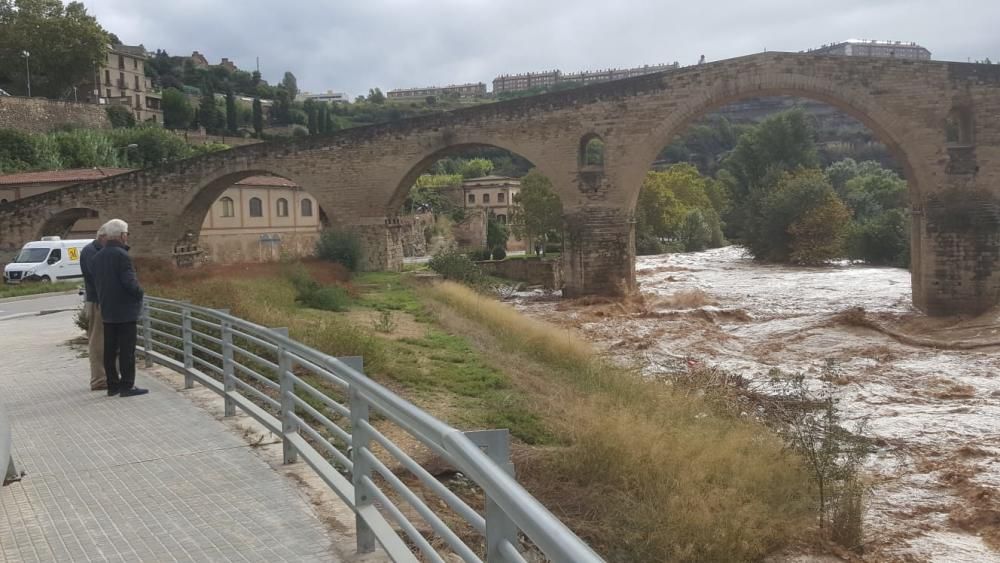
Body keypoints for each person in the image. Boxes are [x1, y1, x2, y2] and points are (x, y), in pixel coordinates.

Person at [92, 219, 148, 397]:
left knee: (110, 350)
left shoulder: (97, 257)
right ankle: (127, 386)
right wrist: (140, 292)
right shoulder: (122, 256)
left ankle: (112, 386)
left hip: (107, 309)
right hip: (125, 311)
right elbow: (129, 283)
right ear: (123, 235)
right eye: (127, 234)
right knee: (126, 351)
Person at [79, 226, 108, 391]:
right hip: (97, 300)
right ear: (103, 236)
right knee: (98, 340)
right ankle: (99, 379)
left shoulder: (95, 250)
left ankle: (104, 377)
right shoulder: (91, 251)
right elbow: (96, 276)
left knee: (101, 340)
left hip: (100, 299)